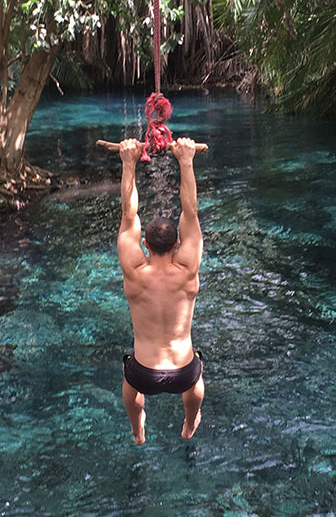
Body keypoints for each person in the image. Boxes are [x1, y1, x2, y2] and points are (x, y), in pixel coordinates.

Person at [117, 137, 204, 445]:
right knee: (196, 385)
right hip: (183, 370)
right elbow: (190, 212)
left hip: (144, 371)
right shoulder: (188, 270)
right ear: (177, 245)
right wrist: (186, 160)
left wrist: (129, 162)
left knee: (130, 387)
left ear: (146, 246)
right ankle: (190, 422)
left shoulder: (135, 273)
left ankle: (137, 428)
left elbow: (129, 219)